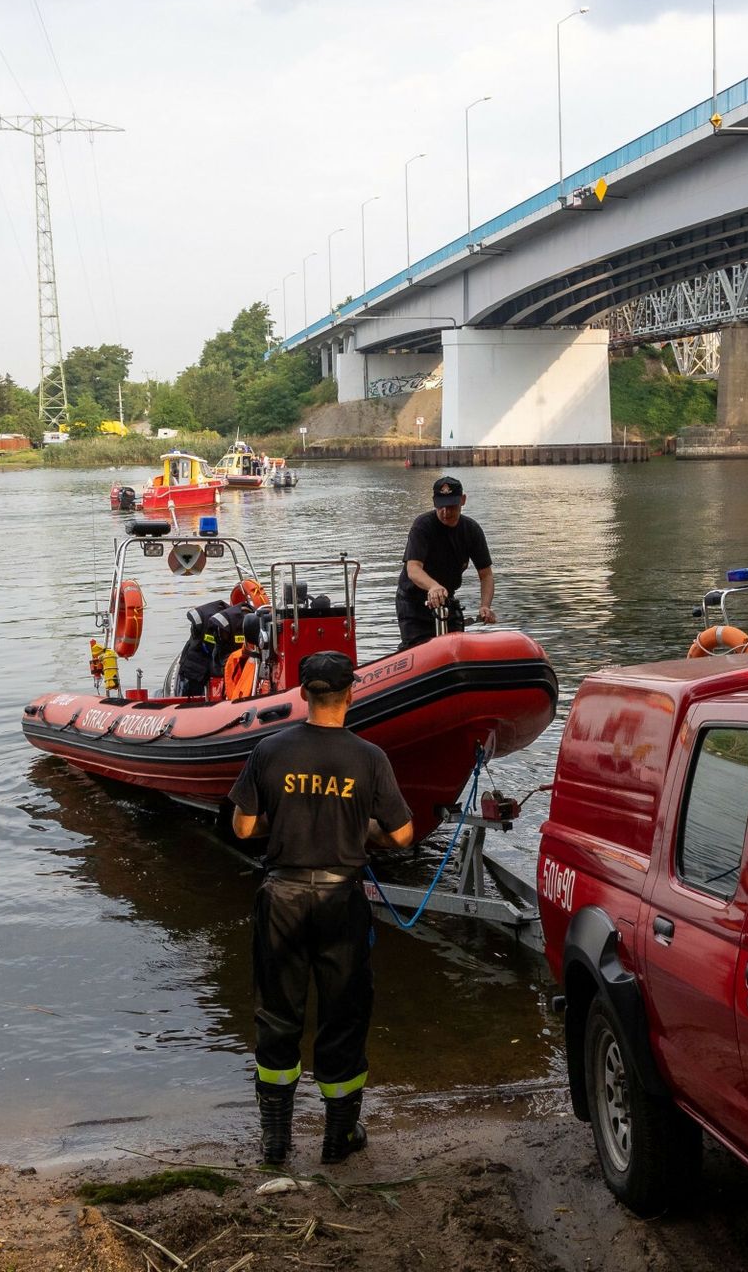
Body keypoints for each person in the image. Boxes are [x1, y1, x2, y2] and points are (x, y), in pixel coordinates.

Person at [230, 651, 415, 1167]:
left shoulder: (268, 750)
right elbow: (402, 834)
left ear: (303, 694)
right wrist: (362, 830)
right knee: (344, 1015)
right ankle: (337, 1139)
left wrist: (286, 822)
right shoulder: (370, 757)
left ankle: (275, 1141)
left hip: (282, 897)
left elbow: (243, 828)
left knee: (278, 1013)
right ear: (350, 694)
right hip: (341, 899)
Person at [394, 475, 495, 650]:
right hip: (414, 602)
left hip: (447, 600)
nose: (446, 512)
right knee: (419, 650)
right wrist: (433, 586)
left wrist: (485, 605)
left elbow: (485, 574)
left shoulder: (471, 530)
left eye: (451, 506)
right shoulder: (422, 526)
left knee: (458, 648)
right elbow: (413, 568)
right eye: (441, 506)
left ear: (462, 501)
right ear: (434, 503)